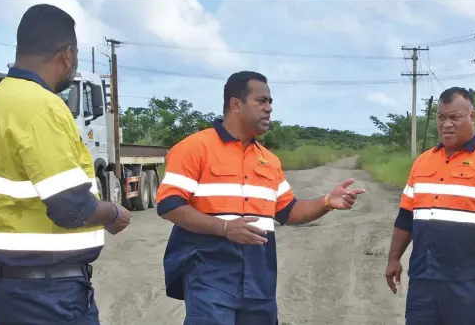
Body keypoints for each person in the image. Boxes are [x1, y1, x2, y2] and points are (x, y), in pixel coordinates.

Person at [0, 4, 131, 325]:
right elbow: (70, 206)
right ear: (66, 55)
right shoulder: (43, 107)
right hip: (46, 292)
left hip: (4, 284)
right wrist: (113, 213)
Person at [156, 70, 367, 325]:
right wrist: (224, 228)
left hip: (259, 281)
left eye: (270, 103)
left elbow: (288, 211)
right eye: (261, 101)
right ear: (236, 104)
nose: (268, 108)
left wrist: (326, 203)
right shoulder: (194, 148)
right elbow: (169, 204)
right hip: (208, 275)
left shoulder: (269, 161)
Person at [384, 87, 475, 325]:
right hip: (424, 283)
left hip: (472, 286)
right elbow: (405, 217)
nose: (446, 124)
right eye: (441, 117)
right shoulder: (423, 162)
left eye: (455, 117)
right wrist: (394, 258)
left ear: (473, 117)